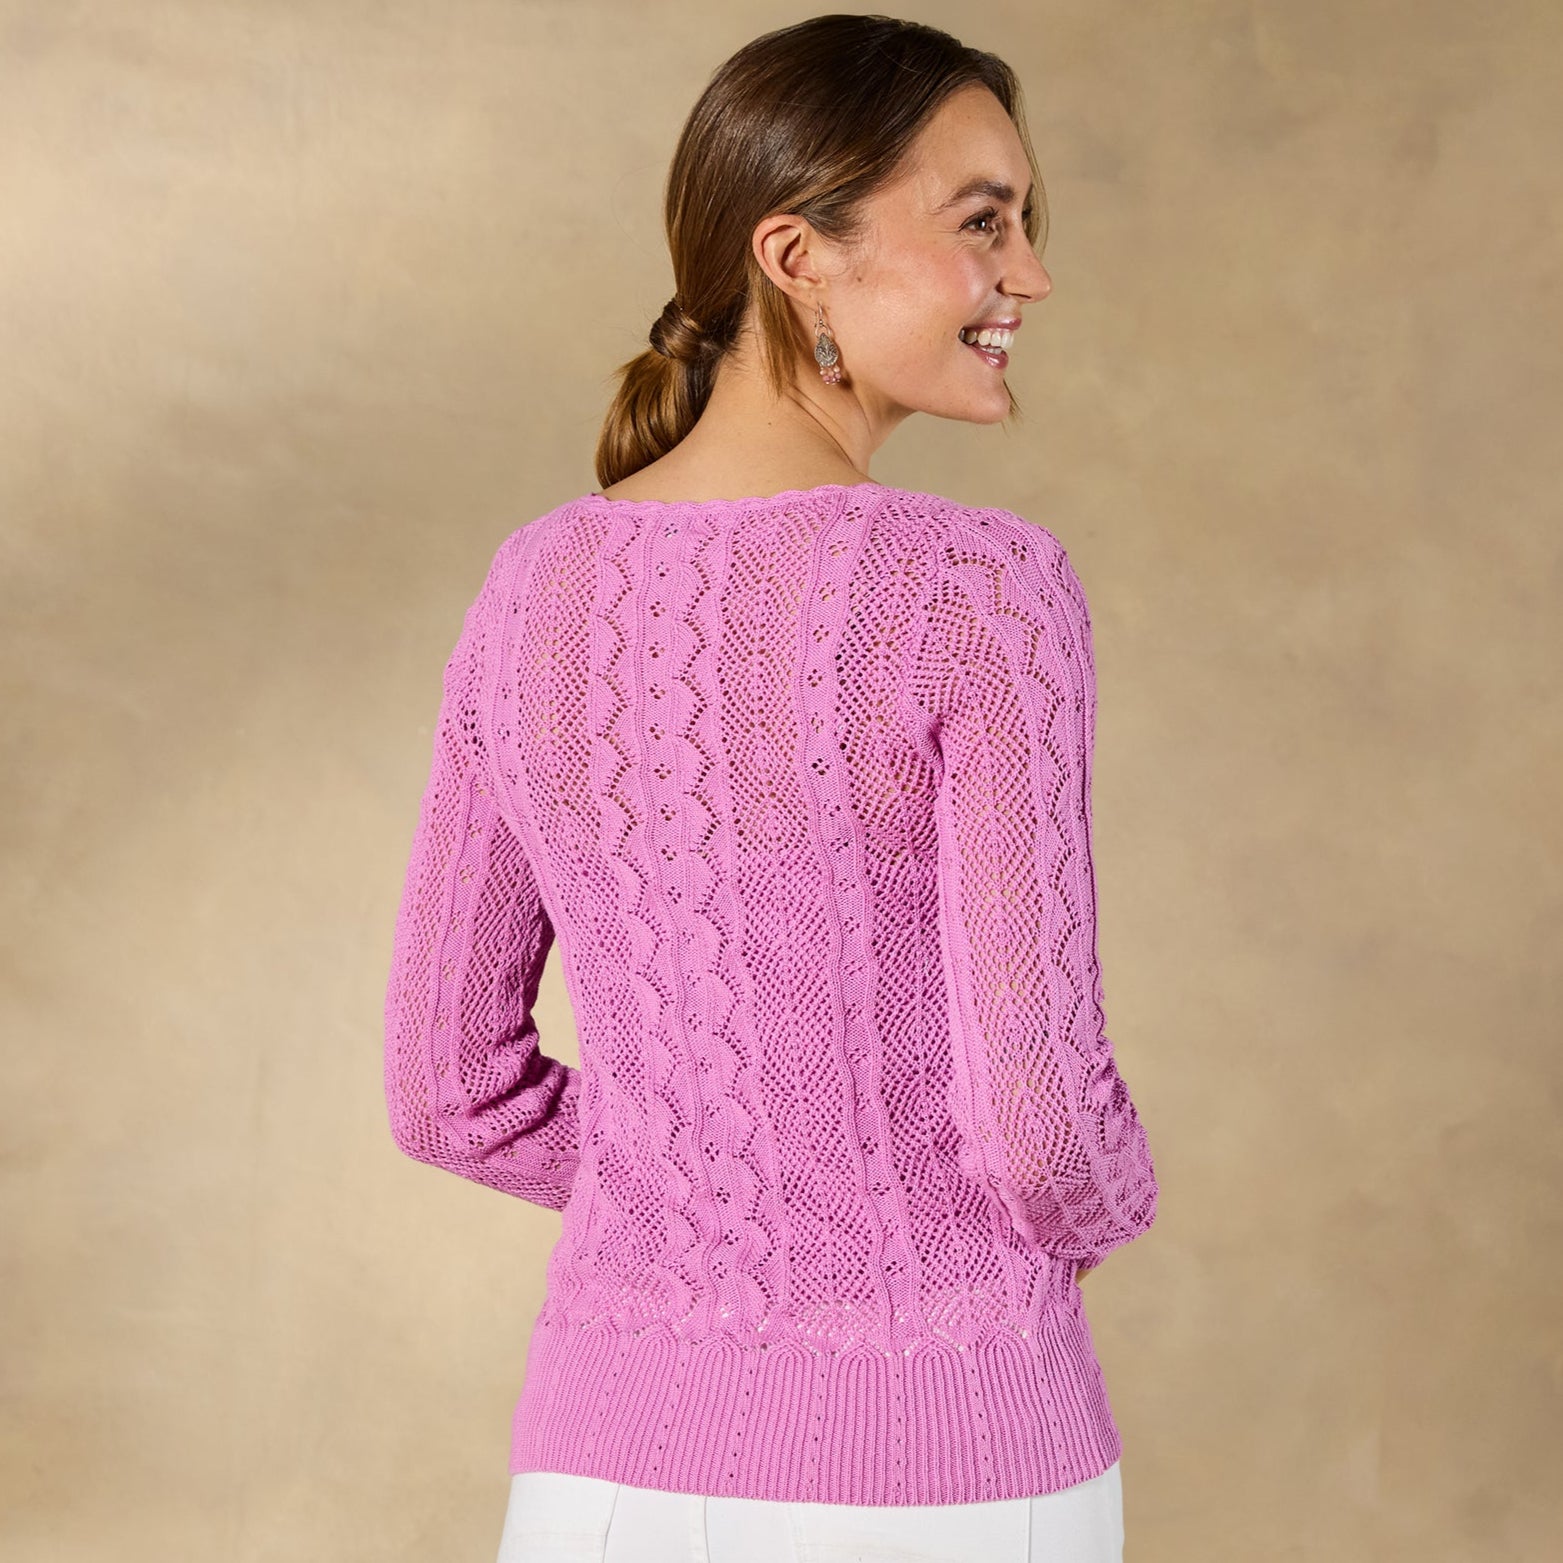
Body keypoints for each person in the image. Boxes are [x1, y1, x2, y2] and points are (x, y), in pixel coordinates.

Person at [382, 14, 1159, 1562]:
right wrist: (1103, 1207)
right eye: (983, 222)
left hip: (602, 1476)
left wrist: (696, 1188)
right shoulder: (974, 588)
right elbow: (1039, 1132)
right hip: (950, 1468)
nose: (1030, 275)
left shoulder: (533, 589)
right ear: (799, 256)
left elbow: (445, 1094)